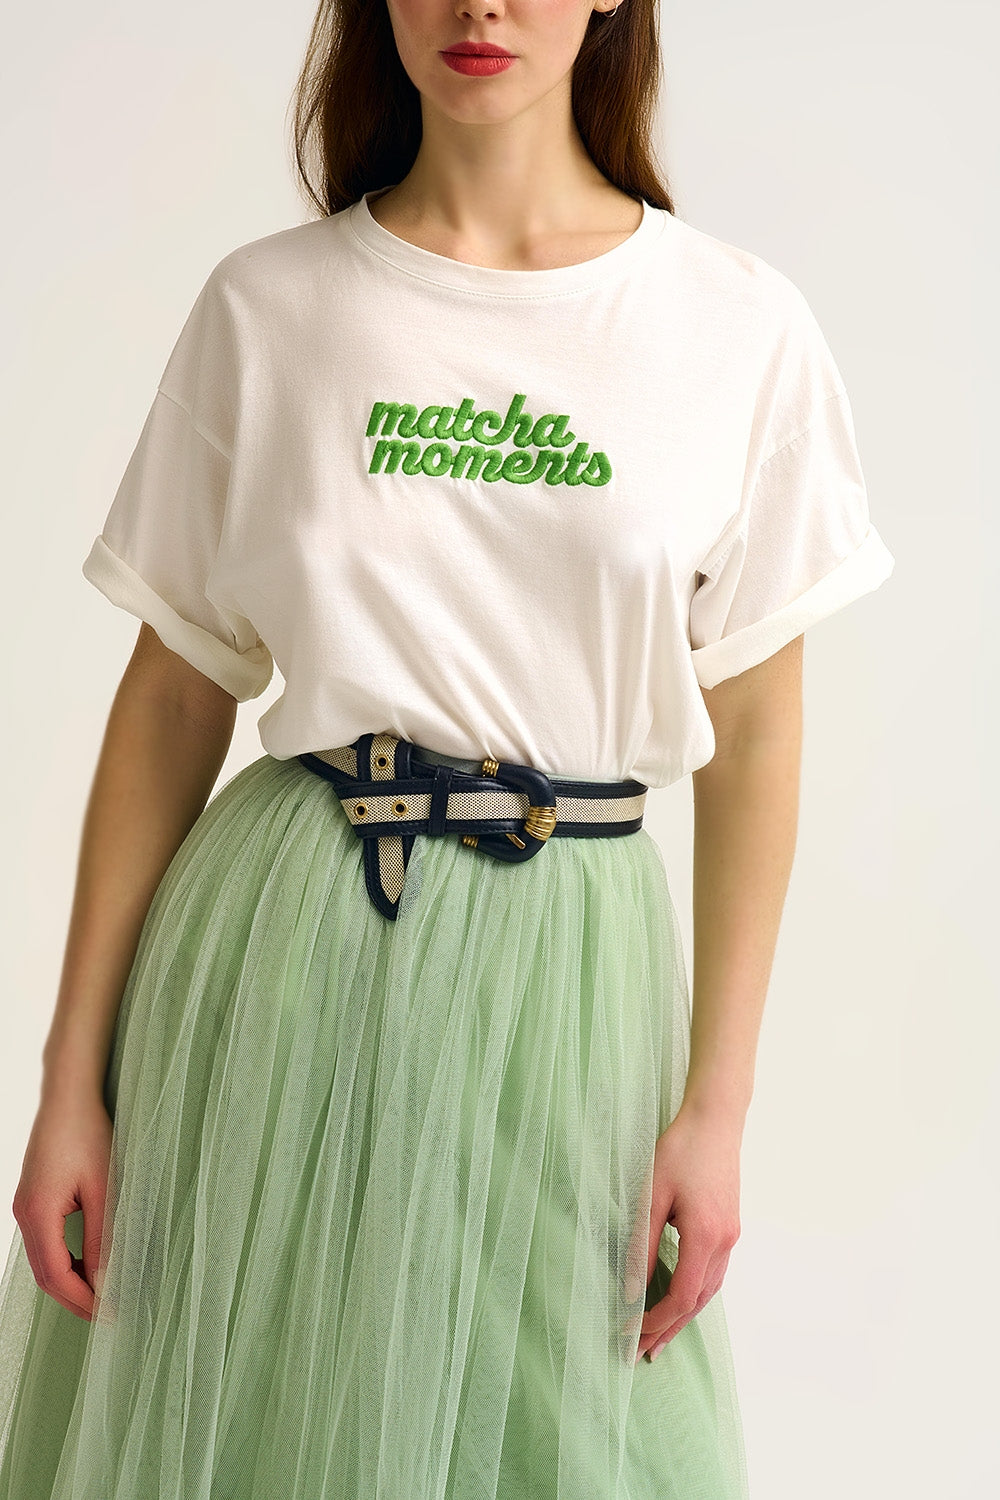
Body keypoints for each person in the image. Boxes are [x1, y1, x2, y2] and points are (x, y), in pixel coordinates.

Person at [0, 1, 895, 1495]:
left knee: (590, 1441)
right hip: (280, 951)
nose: (480, 4)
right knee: (269, 1425)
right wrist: (69, 1080)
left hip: (571, 980)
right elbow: (173, 696)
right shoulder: (272, 307)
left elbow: (754, 733)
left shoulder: (734, 326)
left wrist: (719, 1104)